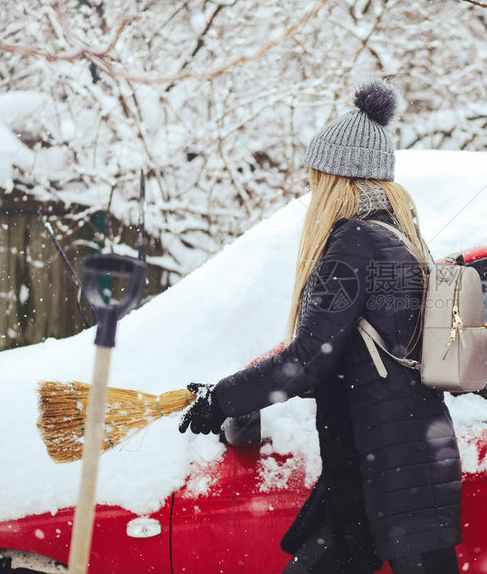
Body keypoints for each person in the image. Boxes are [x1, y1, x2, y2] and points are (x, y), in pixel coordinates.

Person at [178, 80, 463, 574]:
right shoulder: (398, 237)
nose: (311, 189)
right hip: (398, 457)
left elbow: (307, 360)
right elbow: (357, 360)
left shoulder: (354, 241)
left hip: (384, 465)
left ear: (335, 178)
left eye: (316, 178)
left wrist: (222, 398)